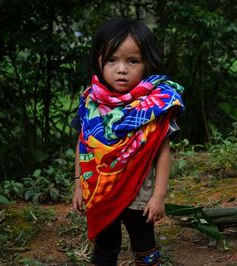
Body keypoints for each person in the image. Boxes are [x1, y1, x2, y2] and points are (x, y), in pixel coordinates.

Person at [71, 17, 184, 266]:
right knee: (105, 249)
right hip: (100, 191)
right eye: (112, 60)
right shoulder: (90, 103)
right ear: (98, 60)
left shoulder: (154, 106)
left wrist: (159, 197)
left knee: (145, 248)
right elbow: (83, 145)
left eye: (132, 61)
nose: (121, 69)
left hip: (140, 195)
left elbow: (163, 153)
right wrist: (79, 184)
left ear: (146, 64)